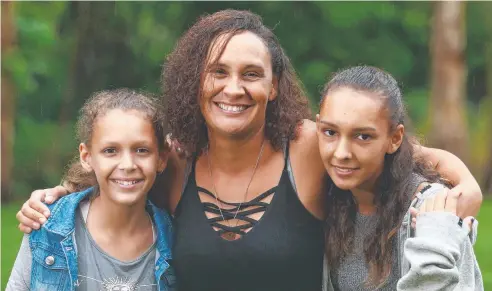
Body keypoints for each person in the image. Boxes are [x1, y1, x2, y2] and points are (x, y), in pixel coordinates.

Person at [15, 10, 482, 291]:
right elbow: (116, 171)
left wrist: (464, 182)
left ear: (274, 85)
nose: (233, 89)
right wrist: (54, 198)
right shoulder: (176, 161)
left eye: (251, 74)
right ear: (195, 81)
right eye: (218, 72)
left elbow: (396, 152)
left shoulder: (306, 144)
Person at [316, 66, 482, 290]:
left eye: (363, 136)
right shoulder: (322, 190)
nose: (341, 153)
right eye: (330, 132)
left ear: (395, 138)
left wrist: (435, 246)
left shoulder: (432, 210)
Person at [7, 89, 175, 291]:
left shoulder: (176, 240)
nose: (128, 164)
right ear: (86, 157)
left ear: (161, 159)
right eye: (110, 151)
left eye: (142, 150)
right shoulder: (48, 226)